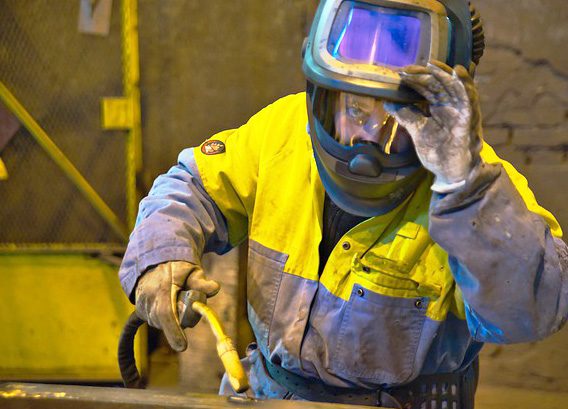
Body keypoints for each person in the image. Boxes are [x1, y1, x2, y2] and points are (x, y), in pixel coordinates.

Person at [119, 0, 568, 408]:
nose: (368, 138)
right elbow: (192, 187)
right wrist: (160, 257)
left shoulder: (479, 185)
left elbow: (531, 312)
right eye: (355, 110)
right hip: (269, 393)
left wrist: (464, 188)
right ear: (321, 94)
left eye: (397, 116)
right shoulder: (283, 132)